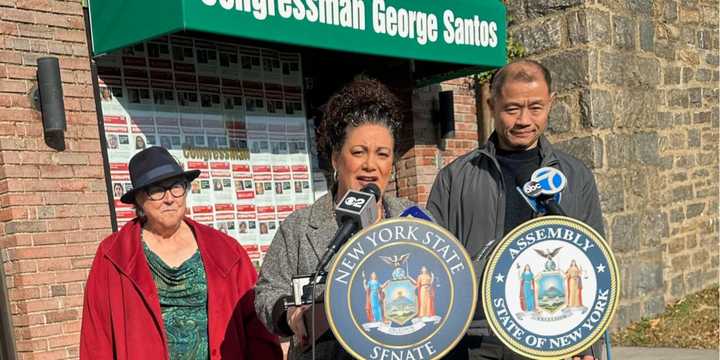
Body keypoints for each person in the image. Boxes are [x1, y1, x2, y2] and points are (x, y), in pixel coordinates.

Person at [427, 60, 604, 360]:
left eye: (536, 107)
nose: (524, 119)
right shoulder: (453, 178)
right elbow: (434, 266)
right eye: (512, 109)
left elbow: (594, 265)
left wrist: (586, 346)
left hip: (553, 337)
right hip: (476, 340)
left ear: (551, 103)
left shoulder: (576, 177)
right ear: (491, 105)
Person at [254, 79, 415, 360]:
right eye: (358, 152)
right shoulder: (299, 227)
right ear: (335, 159)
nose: (370, 165)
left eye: (382, 154)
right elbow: (267, 292)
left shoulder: (412, 219)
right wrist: (289, 313)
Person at [80, 146, 282, 360]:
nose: (169, 198)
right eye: (157, 190)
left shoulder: (226, 251)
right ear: (139, 198)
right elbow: (96, 338)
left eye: (176, 186)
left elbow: (257, 326)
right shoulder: (113, 256)